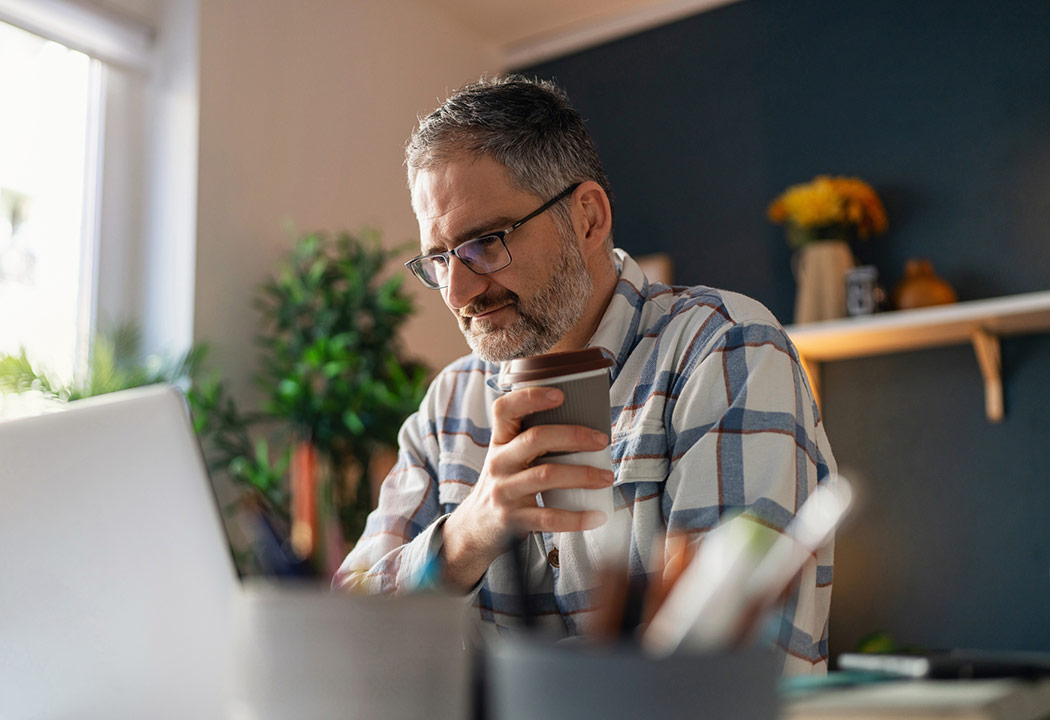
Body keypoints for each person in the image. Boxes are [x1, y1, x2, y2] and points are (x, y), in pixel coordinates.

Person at [334, 75, 836, 674]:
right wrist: (470, 532)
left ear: (589, 219)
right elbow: (341, 639)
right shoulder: (448, 407)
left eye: (484, 245)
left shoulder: (724, 350)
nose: (457, 291)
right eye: (438, 261)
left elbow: (722, 671)